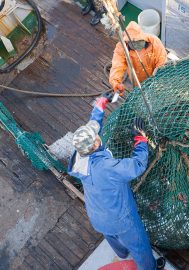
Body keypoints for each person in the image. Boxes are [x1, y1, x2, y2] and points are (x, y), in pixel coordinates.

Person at [68, 93, 166, 270]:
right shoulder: (105, 167)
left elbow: (92, 127)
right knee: (139, 245)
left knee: (112, 237)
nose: (98, 135)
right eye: (97, 136)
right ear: (96, 144)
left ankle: (121, 253)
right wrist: (141, 139)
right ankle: (149, 267)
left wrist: (100, 105)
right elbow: (137, 165)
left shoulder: (78, 158)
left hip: (97, 216)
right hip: (120, 219)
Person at [109, 21, 167, 95]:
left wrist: (158, 79)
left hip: (155, 77)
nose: (136, 45)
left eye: (139, 41)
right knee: (141, 93)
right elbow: (117, 65)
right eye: (133, 43)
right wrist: (115, 81)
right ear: (127, 42)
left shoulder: (154, 41)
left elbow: (162, 60)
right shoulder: (122, 47)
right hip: (137, 80)